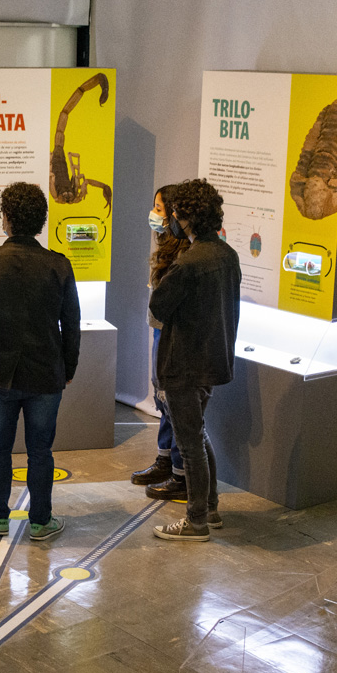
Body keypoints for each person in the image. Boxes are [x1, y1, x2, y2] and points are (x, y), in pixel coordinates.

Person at [0, 182, 81, 541]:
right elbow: (71, 323)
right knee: (40, 450)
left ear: (7, 218)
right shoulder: (58, 265)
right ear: (41, 220)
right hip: (46, 374)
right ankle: (41, 521)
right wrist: (69, 368)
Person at [148, 178, 240, 541]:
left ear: (185, 218)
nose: (169, 219)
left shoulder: (189, 263)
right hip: (211, 362)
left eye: (173, 214)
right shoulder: (227, 255)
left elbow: (159, 306)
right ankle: (211, 509)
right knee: (198, 436)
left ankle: (196, 520)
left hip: (183, 364)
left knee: (189, 445)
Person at [132, 183, 189, 498]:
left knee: (171, 399)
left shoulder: (185, 254)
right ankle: (164, 460)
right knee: (162, 398)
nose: (154, 215)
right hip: (159, 329)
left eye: (159, 208)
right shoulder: (167, 245)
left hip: (171, 334)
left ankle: (180, 474)